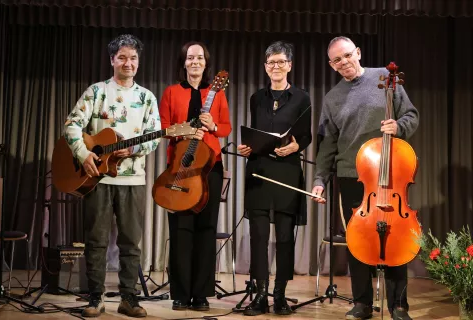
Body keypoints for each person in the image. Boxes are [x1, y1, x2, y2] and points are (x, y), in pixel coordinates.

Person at [311, 36, 419, 320]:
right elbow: (327, 145)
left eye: (347, 55)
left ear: (357, 52)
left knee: (395, 236)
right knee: (358, 240)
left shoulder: (385, 77)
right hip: (351, 175)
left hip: (390, 174)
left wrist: (398, 126)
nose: (344, 62)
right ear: (331, 65)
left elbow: (411, 115)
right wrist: (319, 179)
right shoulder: (332, 98)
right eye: (337, 60)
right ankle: (362, 302)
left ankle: (398, 304)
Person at [64, 34, 160, 318]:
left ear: (138, 62)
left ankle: (129, 298)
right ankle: (95, 298)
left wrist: (133, 149)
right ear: (112, 60)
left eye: (133, 58)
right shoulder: (96, 92)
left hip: (133, 180)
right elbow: (72, 125)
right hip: (98, 179)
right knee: (96, 240)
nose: (128, 63)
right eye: (122, 58)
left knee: (131, 242)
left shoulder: (147, 98)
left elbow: (153, 138)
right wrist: (84, 154)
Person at [237, 41, 312, 316]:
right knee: (258, 236)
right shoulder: (256, 98)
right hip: (258, 170)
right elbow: (254, 133)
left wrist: (296, 147)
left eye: (281, 62)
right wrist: (247, 148)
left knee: (283, 236)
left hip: (287, 171)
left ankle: (279, 295)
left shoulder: (303, 98)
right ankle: (259, 295)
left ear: (290, 65)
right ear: (265, 67)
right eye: (271, 63)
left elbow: (305, 136)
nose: (276, 67)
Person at [159, 41, 232, 311]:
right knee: (181, 230)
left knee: (206, 228)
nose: (195, 62)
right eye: (190, 58)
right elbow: (164, 129)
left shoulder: (217, 94)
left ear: (206, 62)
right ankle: (180, 293)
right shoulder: (171, 92)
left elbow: (226, 127)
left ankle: (201, 294)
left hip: (210, 167)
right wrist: (187, 131)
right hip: (179, 167)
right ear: (184, 62)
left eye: (200, 57)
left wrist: (212, 125)